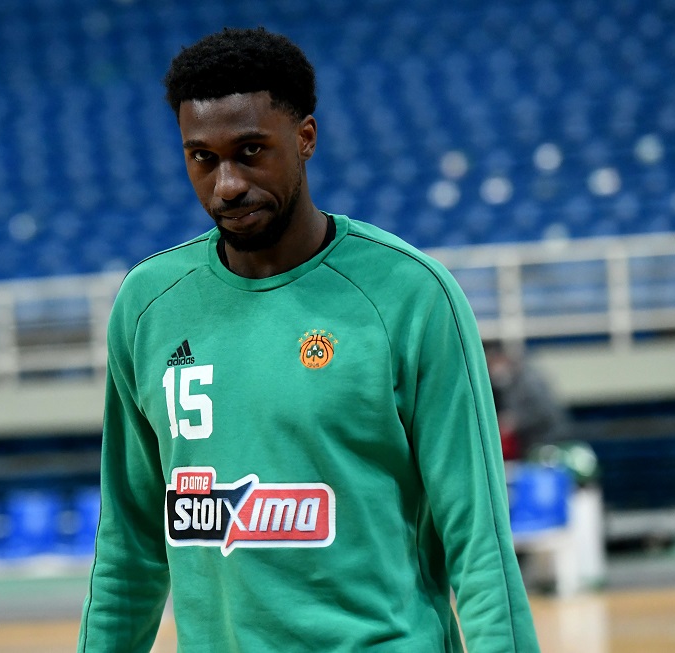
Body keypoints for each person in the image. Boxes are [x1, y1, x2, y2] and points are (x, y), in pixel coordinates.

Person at [77, 27, 540, 653]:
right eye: (202, 157)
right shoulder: (148, 305)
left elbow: (479, 541)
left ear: (305, 138)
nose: (227, 184)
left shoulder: (411, 295)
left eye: (250, 151)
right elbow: (127, 550)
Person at [485, 343, 571, 460]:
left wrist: (516, 421)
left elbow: (544, 411)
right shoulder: (508, 384)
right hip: (531, 443)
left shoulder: (529, 380)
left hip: (548, 440)